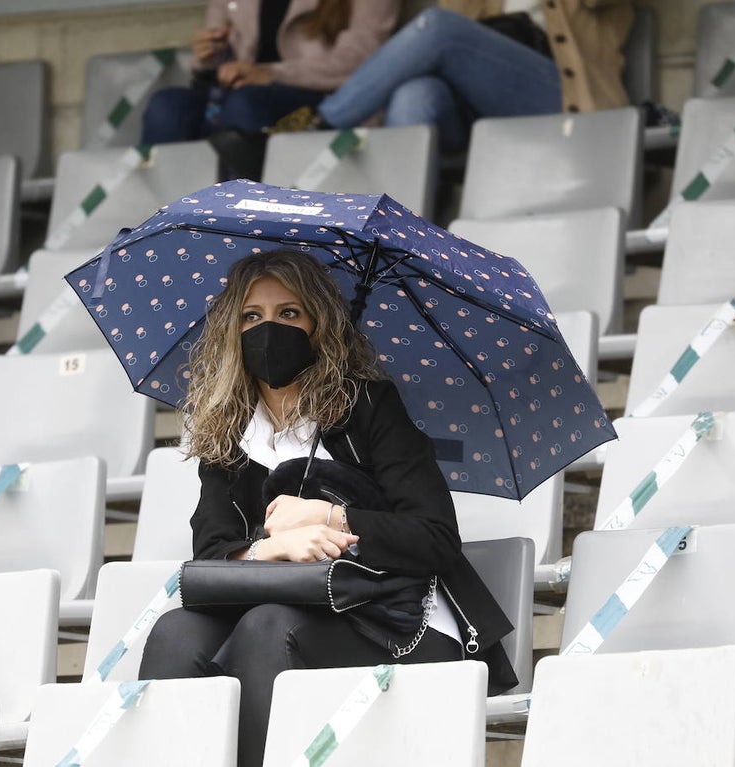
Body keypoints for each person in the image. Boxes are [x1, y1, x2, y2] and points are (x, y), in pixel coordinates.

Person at [139, 249, 516, 767]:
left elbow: (435, 539)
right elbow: (212, 551)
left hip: (399, 621)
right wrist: (272, 549)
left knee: (268, 626)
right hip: (289, 611)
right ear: (231, 330)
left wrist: (330, 518)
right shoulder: (228, 434)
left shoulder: (370, 407)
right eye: (252, 317)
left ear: (319, 326)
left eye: (289, 313)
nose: (268, 330)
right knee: (177, 631)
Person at [273, 0, 634, 152]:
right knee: (414, 94)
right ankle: (401, 238)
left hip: (564, 96)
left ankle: (320, 126)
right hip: (477, 104)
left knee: (437, 26)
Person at [140, 0, 399, 147]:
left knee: (246, 103)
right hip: (237, 91)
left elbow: (360, 60)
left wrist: (271, 74)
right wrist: (209, 53)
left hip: (318, 95)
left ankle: (246, 219)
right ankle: (164, 219)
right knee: (166, 105)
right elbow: (218, 47)